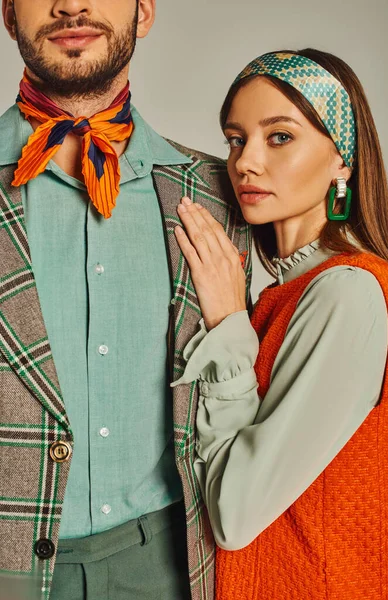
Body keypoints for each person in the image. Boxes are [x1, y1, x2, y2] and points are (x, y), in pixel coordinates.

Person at [0, 1, 251, 599]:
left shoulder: (221, 193)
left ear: (143, 10)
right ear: (8, 12)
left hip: (169, 568)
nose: (71, 4)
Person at [174, 48, 388, 600]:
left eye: (279, 137)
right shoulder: (288, 291)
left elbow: (235, 514)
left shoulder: (348, 291)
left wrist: (228, 325)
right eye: (235, 139)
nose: (246, 162)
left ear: (341, 158)